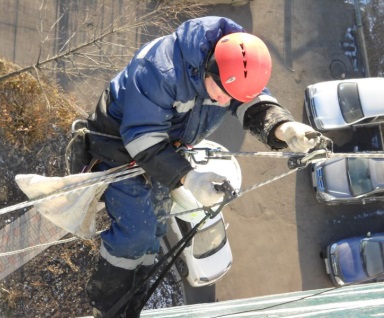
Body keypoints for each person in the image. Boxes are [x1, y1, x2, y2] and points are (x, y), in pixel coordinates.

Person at [85, 16, 319, 317]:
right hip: (120, 144)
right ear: (208, 67)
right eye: (222, 93)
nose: (224, 101)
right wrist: (189, 178)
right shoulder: (159, 70)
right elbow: (142, 139)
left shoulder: (234, 67)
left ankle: (135, 281)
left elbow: (251, 101)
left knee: (155, 228)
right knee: (136, 232)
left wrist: (284, 128)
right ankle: (106, 298)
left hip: (166, 148)